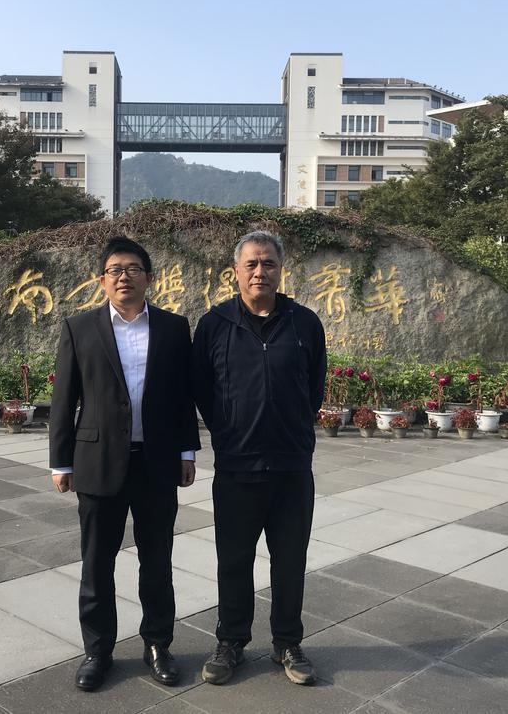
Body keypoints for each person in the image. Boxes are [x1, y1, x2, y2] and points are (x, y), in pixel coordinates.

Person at [50, 236, 200, 692]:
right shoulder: (80, 328)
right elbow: (64, 399)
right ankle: (98, 651)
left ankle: (158, 645)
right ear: (102, 280)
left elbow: (183, 395)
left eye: (133, 269)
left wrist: (187, 451)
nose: (124, 277)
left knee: (157, 563)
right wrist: (61, 461)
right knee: (97, 564)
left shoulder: (173, 328)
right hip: (97, 463)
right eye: (115, 270)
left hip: (157, 463)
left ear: (149, 278)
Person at [193, 229, 326, 686]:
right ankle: (230, 641)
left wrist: (293, 432)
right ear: (235, 271)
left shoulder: (304, 323)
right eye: (251, 263)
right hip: (237, 468)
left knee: (289, 561)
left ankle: (288, 643)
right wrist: (229, 431)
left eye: (268, 263)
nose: (259, 272)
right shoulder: (214, 325)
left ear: (280, 270)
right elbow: (202, 391)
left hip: (291, 468)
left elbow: (313, 388)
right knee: (233, 560)